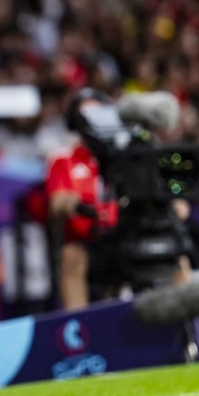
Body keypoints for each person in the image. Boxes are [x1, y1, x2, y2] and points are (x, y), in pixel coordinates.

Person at [44, 88, 119, 310]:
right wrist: (69, 203)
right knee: (71, 256)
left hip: (123, 238)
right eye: (83, 118)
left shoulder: (123, 156)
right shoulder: (63, 159)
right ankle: (78, 328)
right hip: (88, 243)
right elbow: (56, 201)